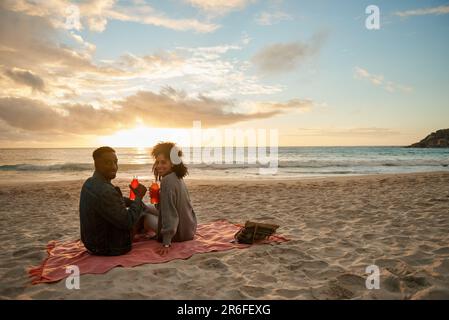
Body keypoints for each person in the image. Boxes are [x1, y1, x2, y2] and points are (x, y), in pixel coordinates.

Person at [79, 146, 147, 256]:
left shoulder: (89, 182)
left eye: (115, 162)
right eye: (107, 163)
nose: (114, 167)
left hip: (90, 243)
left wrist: (131, 201)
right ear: (96, 164)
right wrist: (138, 197)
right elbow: (128, 222)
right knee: (142, 214)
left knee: (140, 208)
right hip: (108, 248)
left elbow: (110, 202)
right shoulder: (105, 190)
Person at [142, 142, 197, 256]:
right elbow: (167, 207)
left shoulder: (167, 181)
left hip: (179, 234)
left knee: (145, 216)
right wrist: (156, 197)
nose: (159, 166)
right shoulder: (178, 176)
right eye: (157, 162)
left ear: (172, 163)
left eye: (163, 162)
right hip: (189, 228)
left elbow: (170, 214)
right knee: (144, 206)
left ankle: (137, 234)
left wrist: (166, 243)